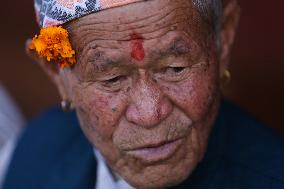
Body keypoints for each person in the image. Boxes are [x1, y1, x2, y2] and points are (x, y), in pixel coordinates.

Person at [1, 0, 284, 188]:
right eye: (112, 78)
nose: (149, 114)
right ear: (57, 73)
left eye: (175, 68)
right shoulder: (32, 155)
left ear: (223, 38)